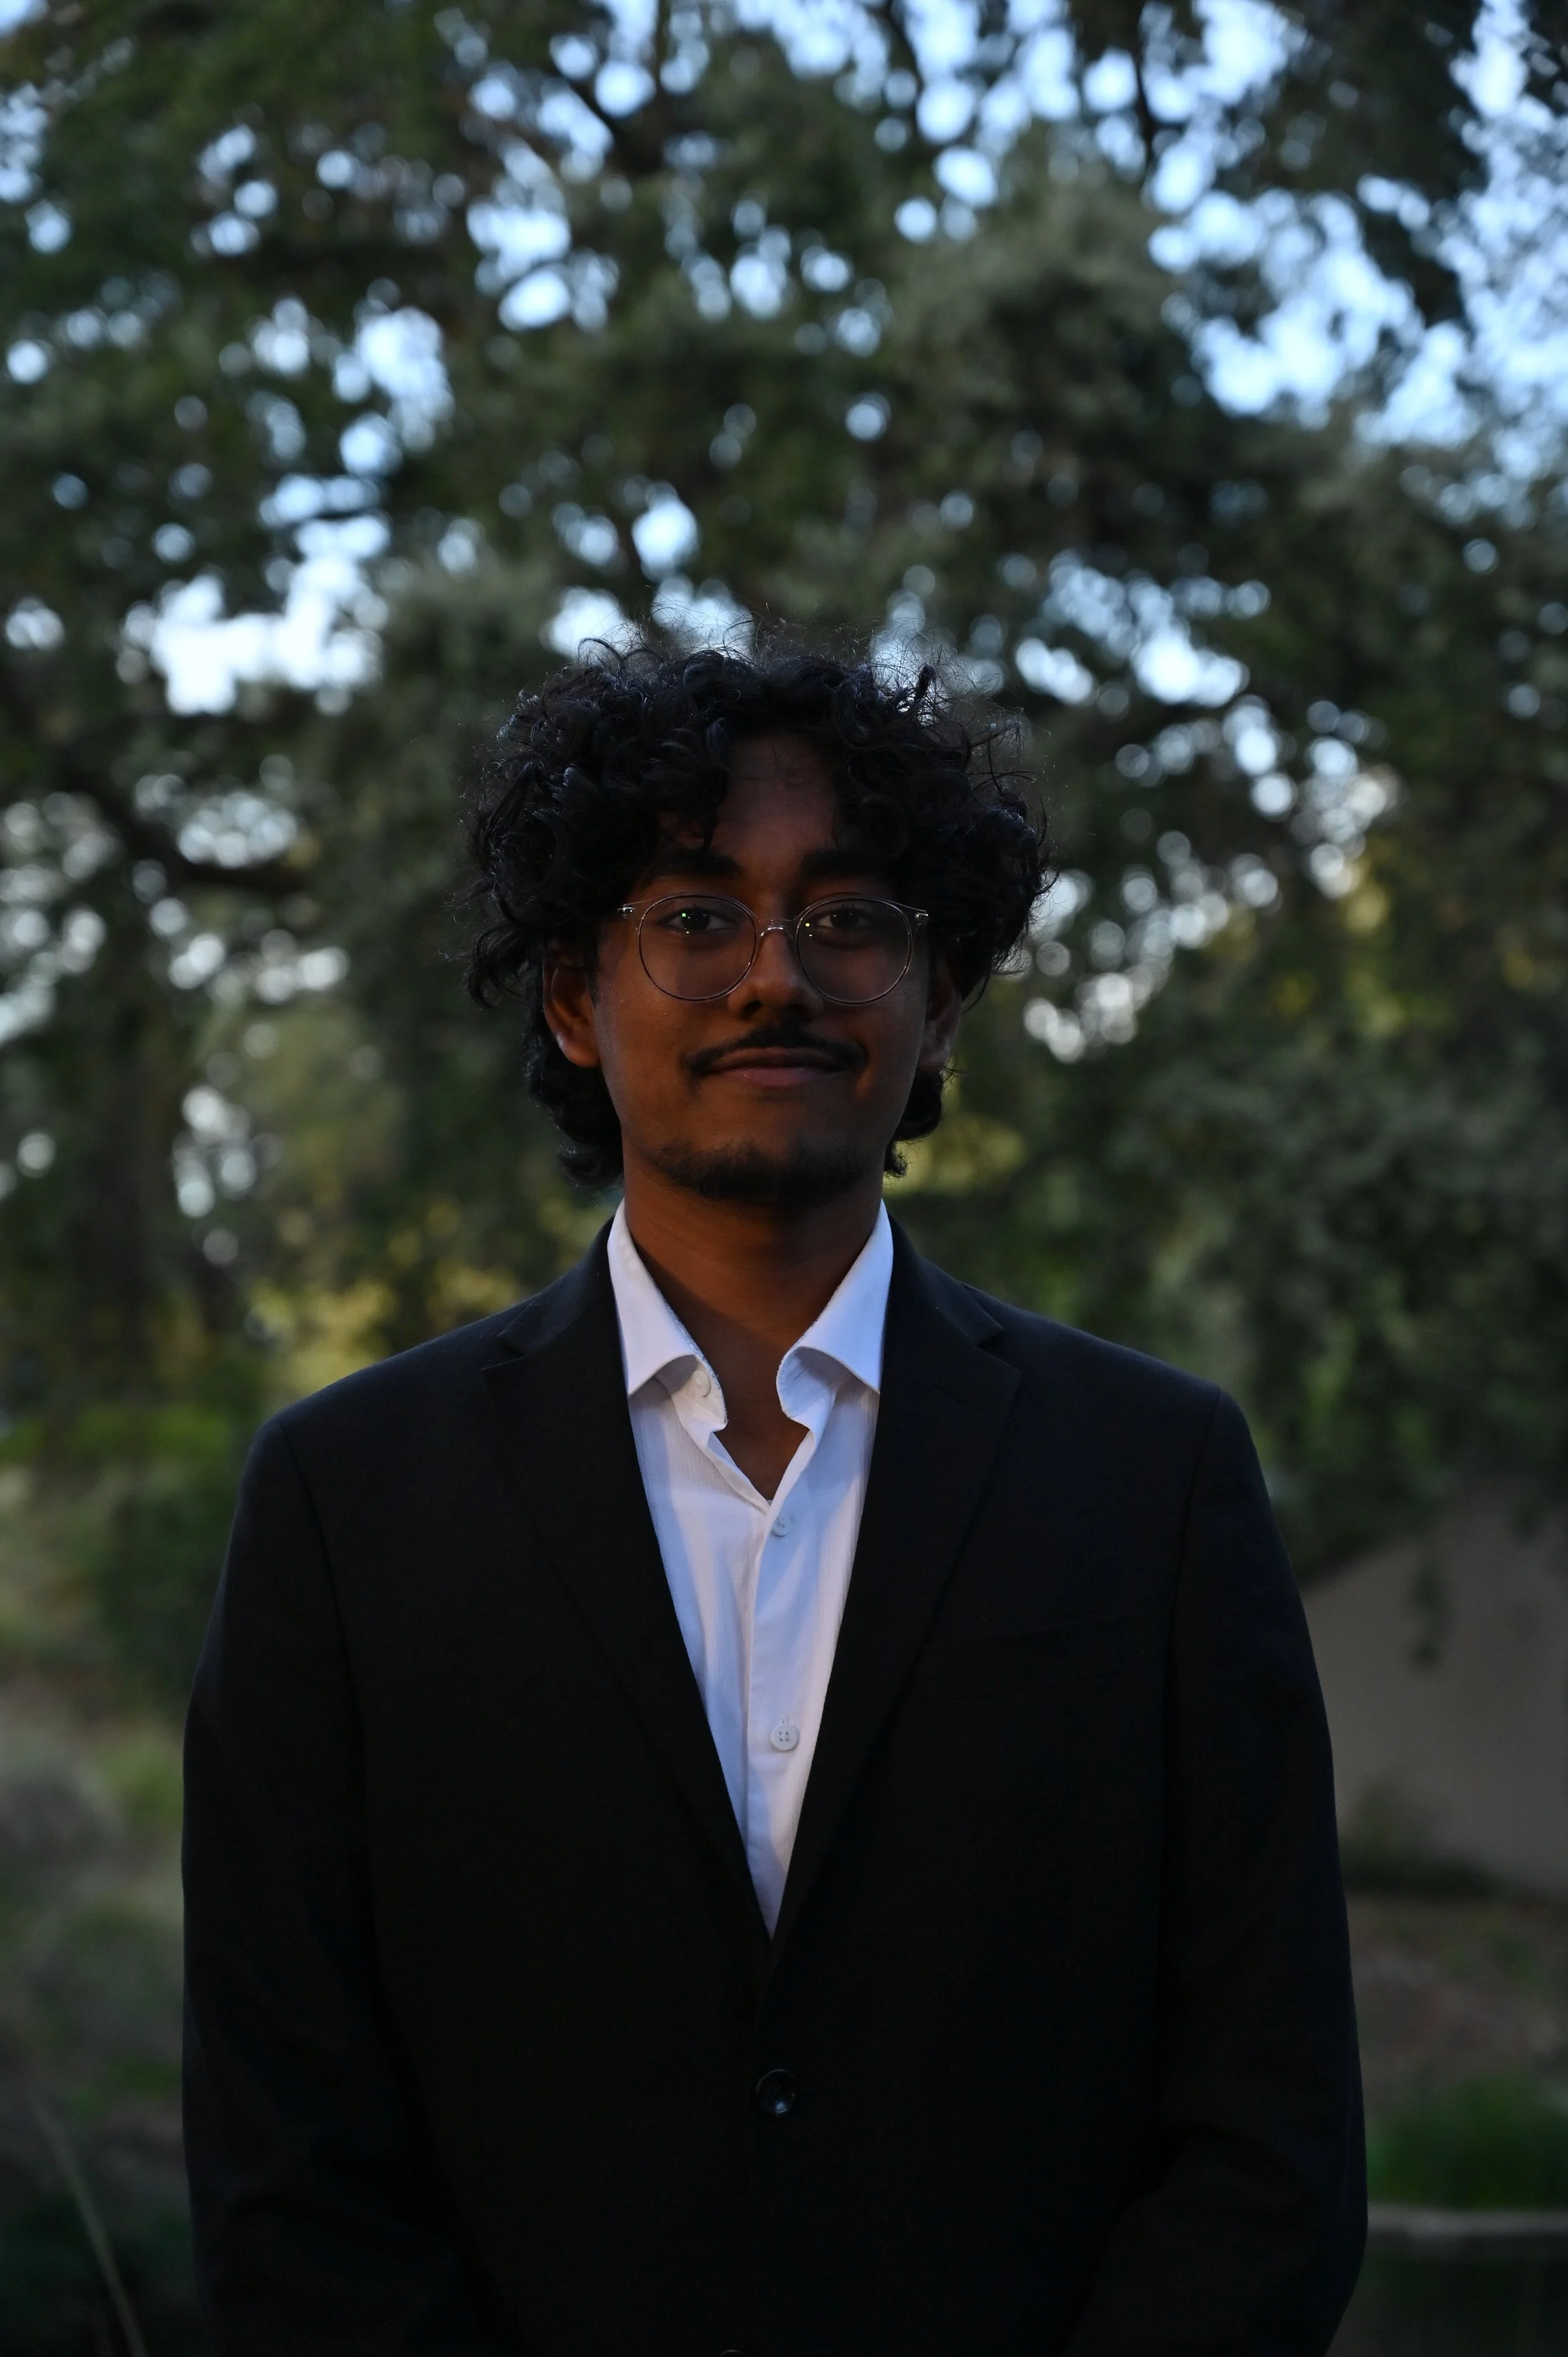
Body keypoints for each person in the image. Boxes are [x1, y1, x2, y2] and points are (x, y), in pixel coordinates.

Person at [183, 647, 1365, 2356]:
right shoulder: (345, 1501)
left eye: (849, 916)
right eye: (694, 915)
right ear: (573, 1000)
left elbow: (1270, 2134)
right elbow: (286, 2165)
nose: (775, 977)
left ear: (937, 1001)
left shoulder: (1156, 1475)